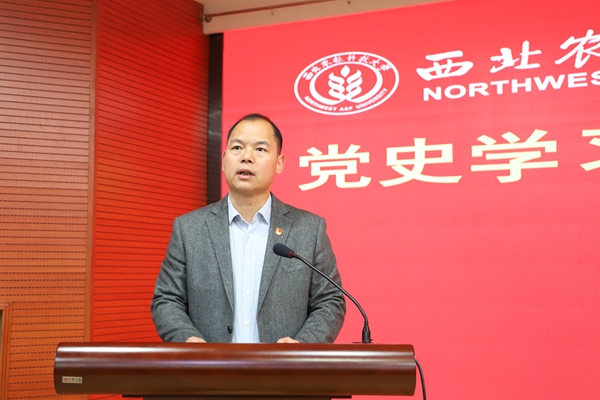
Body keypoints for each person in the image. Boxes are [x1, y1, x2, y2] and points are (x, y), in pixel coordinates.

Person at [151, 114, 346, 343]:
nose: (246, 157)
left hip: (283, 364)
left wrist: (302, 346)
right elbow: (167, 299)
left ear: (279, 163)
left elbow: (330, 300)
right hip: (209, 364)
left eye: (260, 149)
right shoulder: (189, 229)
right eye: (237, 148)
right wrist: (187, 339)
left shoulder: (309, 229)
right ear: (224, 159)